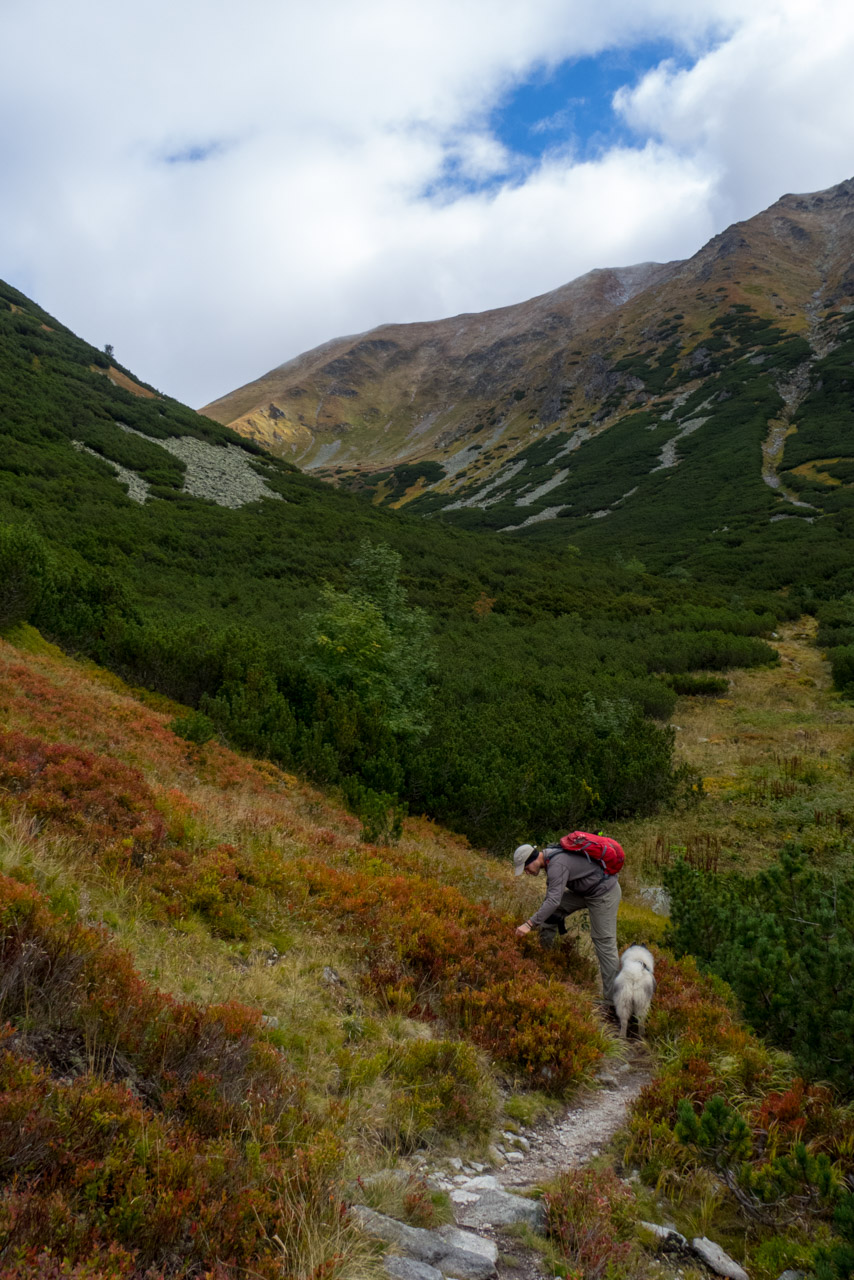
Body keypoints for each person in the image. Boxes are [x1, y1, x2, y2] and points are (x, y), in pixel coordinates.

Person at [513, 841, 621, 1008]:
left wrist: (529, 924)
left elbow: (554, 900)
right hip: (586, 892)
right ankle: (544, 956)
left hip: (604, 892)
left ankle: (613, 1001)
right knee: (552, 912)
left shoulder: (557, 864)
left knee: (603, 941)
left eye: (526, 868)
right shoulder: (550, 859)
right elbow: (553, 901)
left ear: (532, 860)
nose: (526, 872)